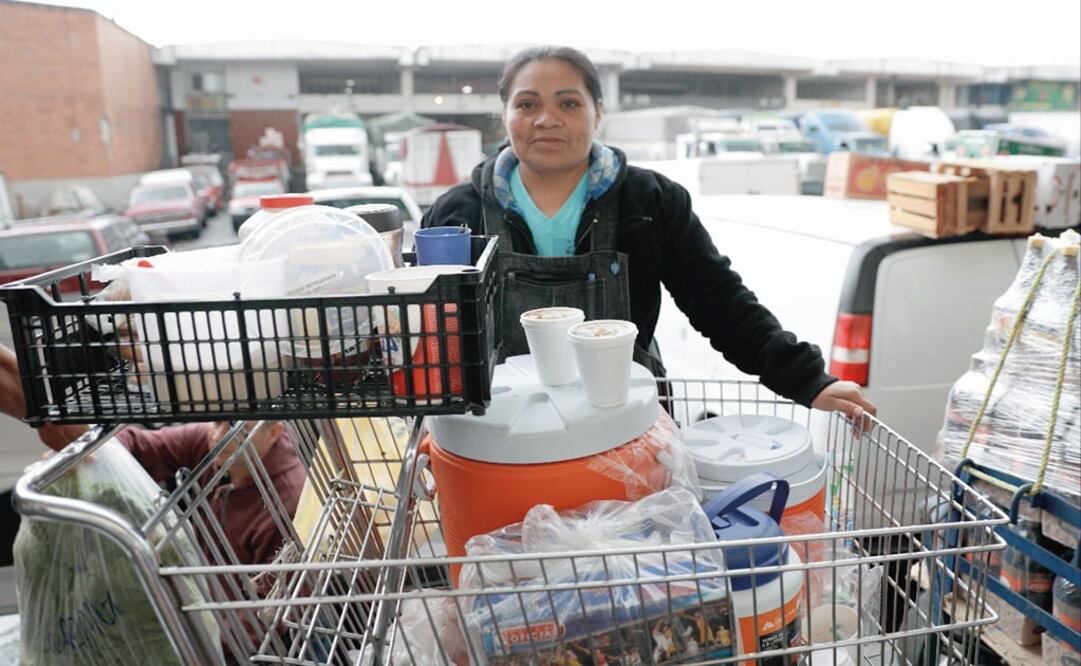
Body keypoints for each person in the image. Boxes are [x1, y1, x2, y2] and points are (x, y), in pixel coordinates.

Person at [422, 46, 876, 419]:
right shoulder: (458, 214)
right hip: (500, 432)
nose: (547, 119)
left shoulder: (649, 201)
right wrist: (429, 423)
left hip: (627, 423)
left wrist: (806, 379)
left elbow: (717, 298)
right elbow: (428, 334)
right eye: (527, 104)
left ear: (598, 112)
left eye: (568, 102)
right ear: (504, 116)